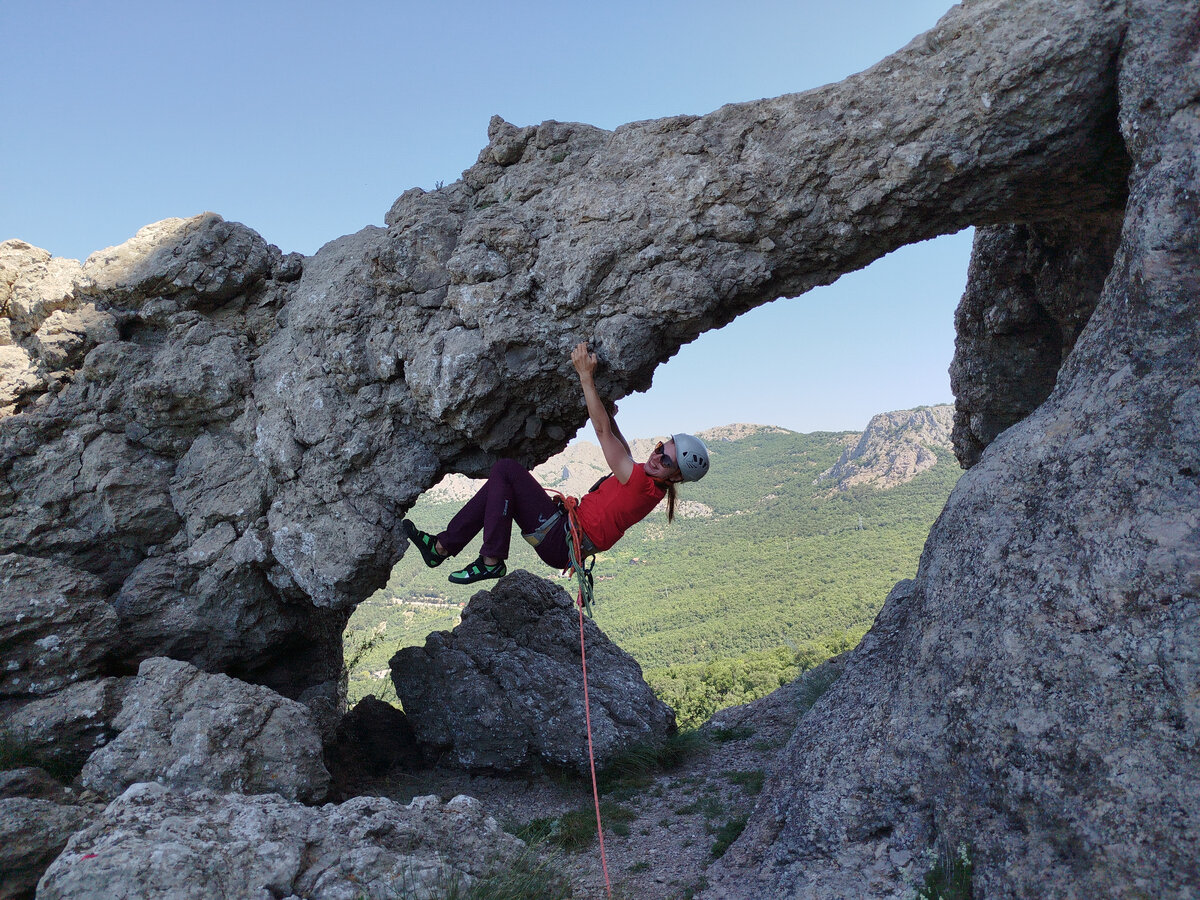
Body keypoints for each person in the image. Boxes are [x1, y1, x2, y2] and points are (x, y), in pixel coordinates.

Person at [403, 341, 711, 584]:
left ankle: (490, 561)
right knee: (503, 482)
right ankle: (440, 548)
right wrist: (606, 407)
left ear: (676, 478)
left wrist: (586, 378)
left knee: (507, 469)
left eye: (666, 460)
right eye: (660, 447)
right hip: (563, 529)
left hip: (561, 541)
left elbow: (603, 434)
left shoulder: (641, 486)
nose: (657, 456)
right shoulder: (649, 482)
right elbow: (623, 450)